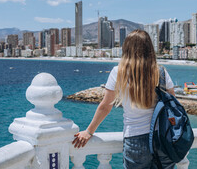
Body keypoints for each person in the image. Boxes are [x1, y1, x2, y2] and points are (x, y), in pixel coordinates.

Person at [72, 29, 176, 168]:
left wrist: (89, 131)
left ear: (126, 48)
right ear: (149, 48)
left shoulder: (118, 72)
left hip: (135, 140)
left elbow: (105, 106)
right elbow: (173, 104)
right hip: (163, 138)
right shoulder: (160, 72)